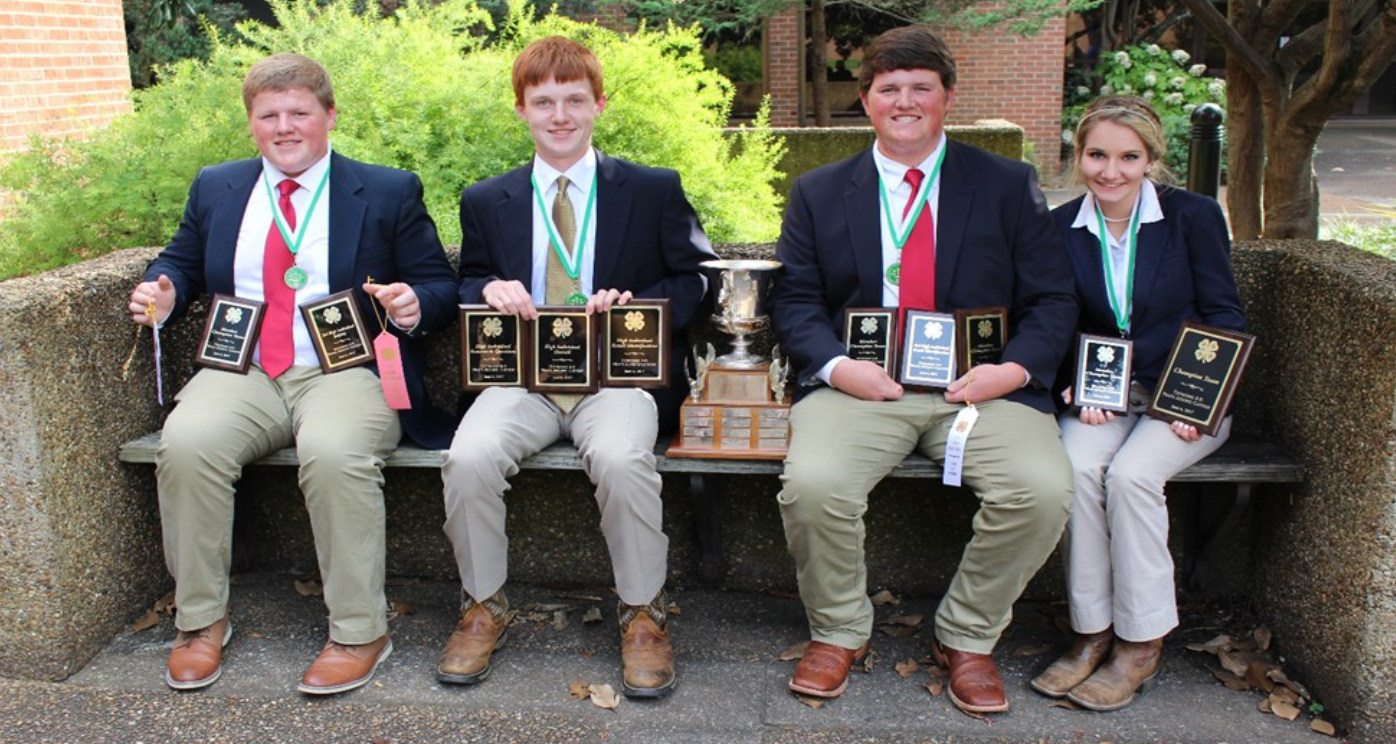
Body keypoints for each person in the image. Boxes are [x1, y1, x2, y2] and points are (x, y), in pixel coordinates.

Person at [769, 25, 1078, 713]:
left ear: (947, 97)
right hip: (860, 387)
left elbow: (1054, 297)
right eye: (889, 88)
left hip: (982, 388)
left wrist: (1015, 370)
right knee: (815, 486)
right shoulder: (819, 191)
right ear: (867, 99)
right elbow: (793, 300)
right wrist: (840, 367)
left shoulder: (1005, 183)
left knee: (1041, 489)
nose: (904, 101)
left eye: (920, 88)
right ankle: (839, 631)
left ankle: (966, 636)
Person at [126, 53, 457, 695]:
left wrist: (415, 306)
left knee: (333, 453)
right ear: (251, 123)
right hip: (243, 365)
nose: (285, 126)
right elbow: (179, 261)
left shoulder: (387, 189)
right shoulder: (217, 186)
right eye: (268, 114)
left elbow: (438, 283)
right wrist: (160, 292)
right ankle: (199, 623)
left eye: (299, 112)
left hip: (346, 368)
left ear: (328, 116)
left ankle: (361, 631)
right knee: (187, 444)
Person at [437, 36, 714, 699]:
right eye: (543, 102)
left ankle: (643, 614)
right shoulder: (487, 198)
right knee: (469, 454)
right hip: (524, 379)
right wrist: (488, 291)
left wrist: (638, 307)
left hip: (617, 377)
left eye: (573, 100)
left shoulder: (651, 189)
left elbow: (699, 280)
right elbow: (470, 279)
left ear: (599, 105)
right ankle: (483, 605)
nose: (559, 115)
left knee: (622, 458)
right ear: (521, 110)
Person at [1030, 96, 1245, 711]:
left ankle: (1141, 640)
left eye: (1128, 157)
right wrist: (1075, 383)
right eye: (1097, 155)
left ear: (1151, 160)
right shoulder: (1059, 227)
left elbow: (1223, 313)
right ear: (1080, 156)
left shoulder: (1194, 217)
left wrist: (1194, 397)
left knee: (1131, 476)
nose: (1110, 171)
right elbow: (1056, 317)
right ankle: (1092, 631)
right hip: (1107, 395)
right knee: (1074, 466)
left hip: (1187, 396)